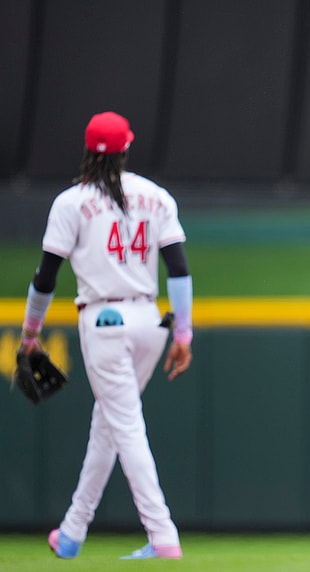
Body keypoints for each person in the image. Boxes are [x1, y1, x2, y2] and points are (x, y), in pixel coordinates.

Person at [19, 111, 193, 560]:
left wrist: (30, 334)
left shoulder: (71, 203)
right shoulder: (156, 196)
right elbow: (178, 270)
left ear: (86, 151)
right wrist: (184, 333)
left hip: (104, 325)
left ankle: (163, 536)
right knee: (110, 426)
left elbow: (45, 278)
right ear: (126, 148)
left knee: (125, 426)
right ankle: (72, 532)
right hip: (151, 322)